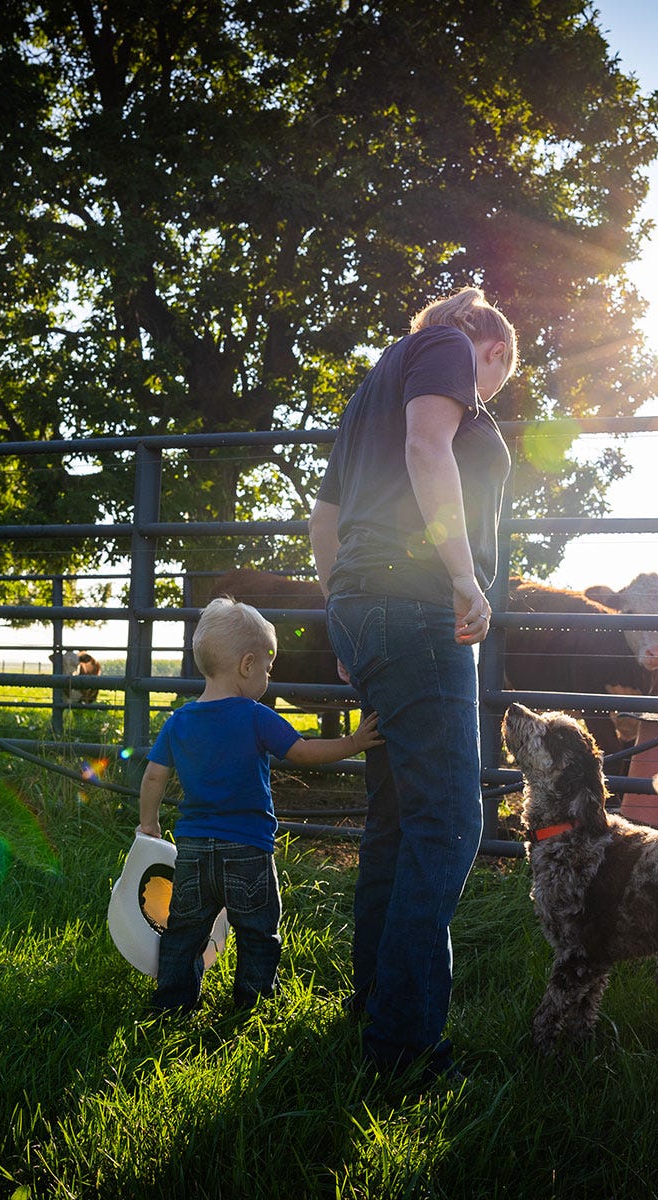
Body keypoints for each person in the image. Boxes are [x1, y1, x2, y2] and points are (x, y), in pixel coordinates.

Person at [309, 285, 517, 1086]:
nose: (484, 397)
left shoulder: (373, 387)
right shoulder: (448, 348)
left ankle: (374, 1009)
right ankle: (405, 1048)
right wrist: (465, 577)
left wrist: (345, 612)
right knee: (450, 822)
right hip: (421, 603)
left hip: (369, 603)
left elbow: (323, 524)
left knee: (396, 820)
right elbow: (430, 450)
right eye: (495, 382)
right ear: (489, 349)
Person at [138, 596, 381, 1011]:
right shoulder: (255, 716)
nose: (267, 678)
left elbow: (154, 775)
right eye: (267, 669)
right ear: (247, 666)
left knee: (184, 930)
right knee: (257, 930)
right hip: (247, 848)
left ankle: (172, 1002)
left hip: (194, 849)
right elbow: (302, 752)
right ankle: (252, 1003)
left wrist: (150, 824)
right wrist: (354, 744)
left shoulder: (178, 720)